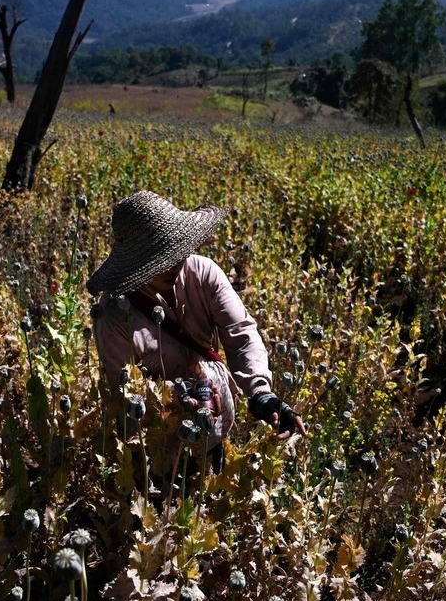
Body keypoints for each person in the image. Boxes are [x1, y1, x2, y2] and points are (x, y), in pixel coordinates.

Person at [87, 190, 305, 453]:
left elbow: (241, 335)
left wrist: (261, 393)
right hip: (156, 443)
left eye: (176, 251)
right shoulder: (113, 317)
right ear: (134, 263)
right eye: (159, 260)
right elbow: (124, 395)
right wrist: (180, 397)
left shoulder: (202, 273)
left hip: (216, 425)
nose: (173, 264)